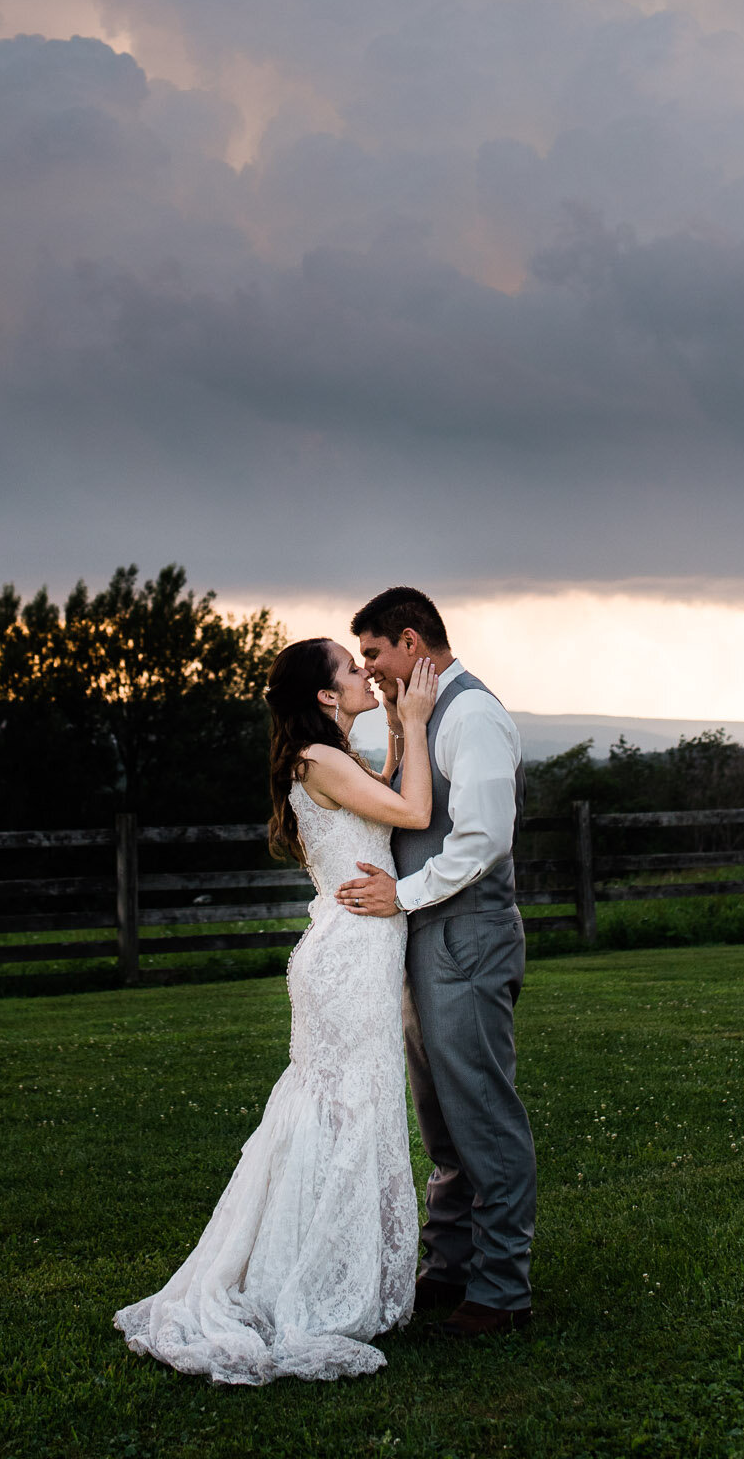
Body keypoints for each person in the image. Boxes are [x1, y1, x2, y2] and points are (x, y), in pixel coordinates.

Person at [114, 638, 440, 1384]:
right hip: (348, 958)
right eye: (352, 670)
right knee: (345, 1111)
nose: (366, 675)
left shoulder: (331, 758)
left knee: (346, 1111)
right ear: (325, 697)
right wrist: (416, 721)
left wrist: (392, 726)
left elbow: (386, 800)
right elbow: (415, 807)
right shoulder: (320, 762)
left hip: (357, 950)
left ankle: (323, 1266)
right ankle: (311, 1282)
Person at [337, 585, 536, 1338]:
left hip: (465, 937)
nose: (372, 668)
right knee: (442, 1122)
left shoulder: (475, 715)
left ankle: (500, 1291)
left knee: (481, 1114)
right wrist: (395, 723)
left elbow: (482, 841)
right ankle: (449, 1269)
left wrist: (401, 896)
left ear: (412, 641)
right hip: (426, 935)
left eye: (375, 654)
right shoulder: (419, 714)